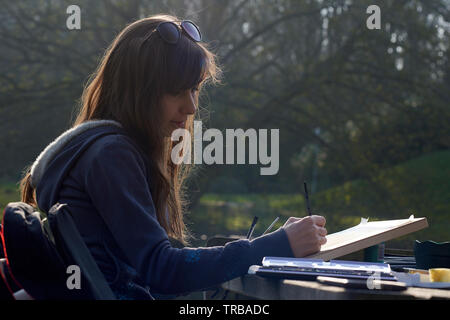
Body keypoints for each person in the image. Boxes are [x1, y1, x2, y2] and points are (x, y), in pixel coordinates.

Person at [19, 14, 327, 300]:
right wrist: (277, 245)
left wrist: (269, 244)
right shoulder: (111, 155)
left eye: (194, 89)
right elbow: (162, 269)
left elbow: (157, 263)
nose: (192, 107)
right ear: (138, 91)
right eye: (177, 91)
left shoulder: (98, 148)